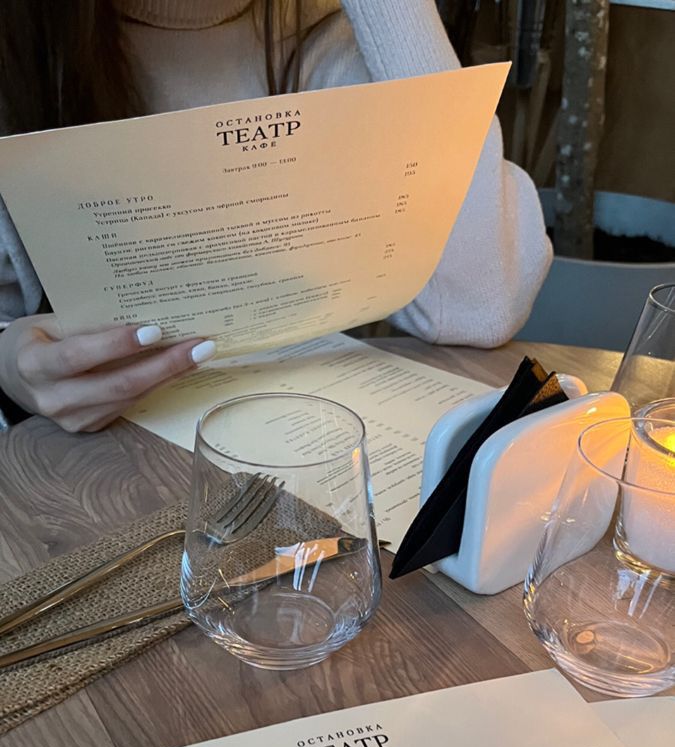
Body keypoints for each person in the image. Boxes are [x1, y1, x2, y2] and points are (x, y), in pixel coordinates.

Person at [0, 0, 552, 431]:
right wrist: (9, 368)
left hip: (316, 464)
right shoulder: (24, 50)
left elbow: (483, 300)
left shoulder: (334, 35)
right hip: (89, 488)